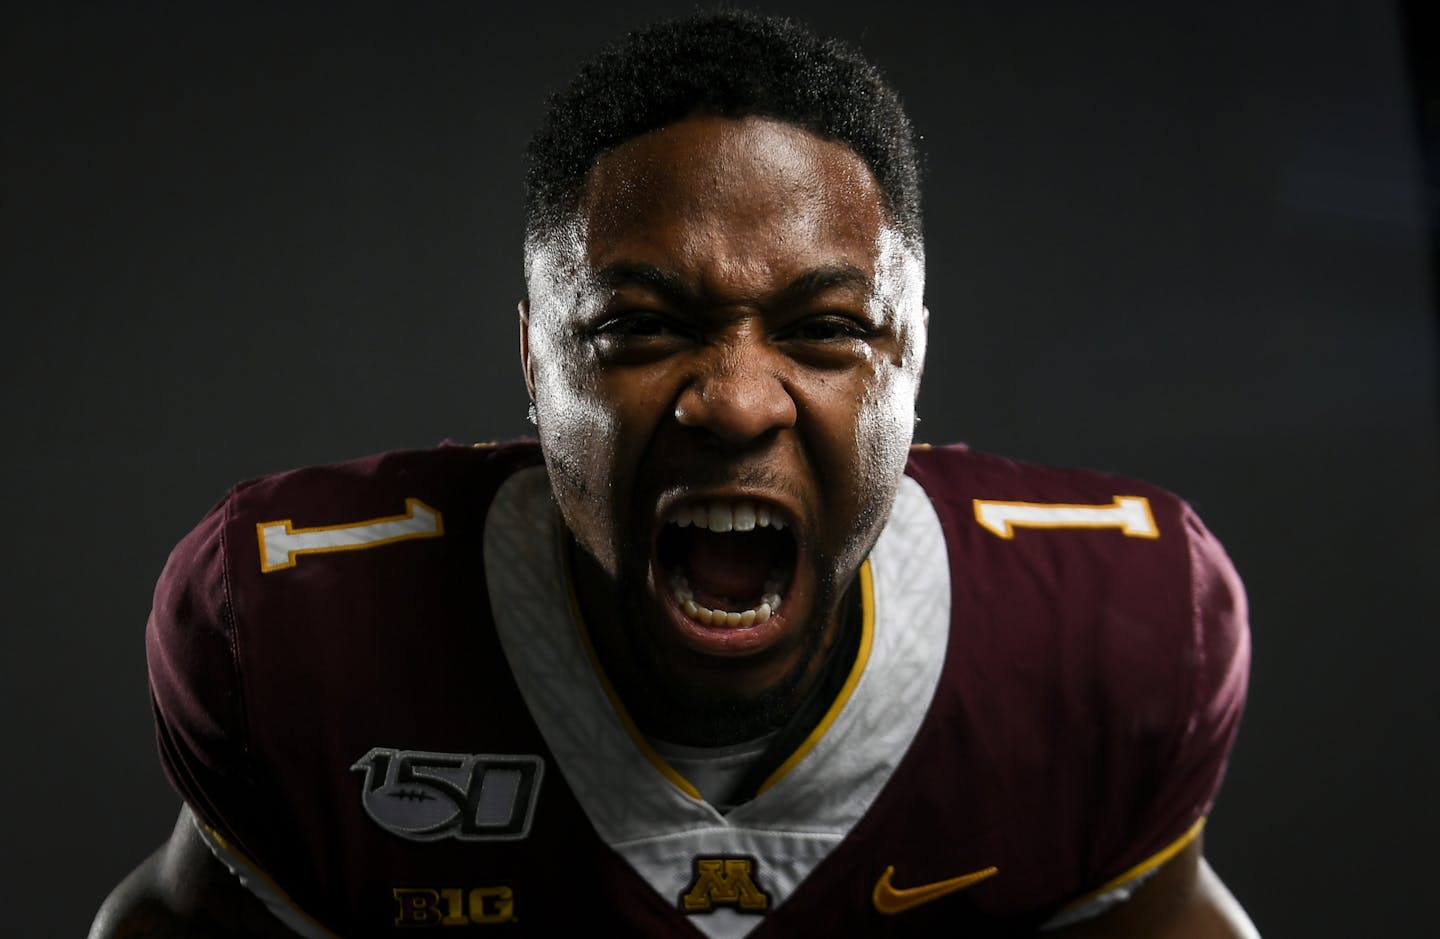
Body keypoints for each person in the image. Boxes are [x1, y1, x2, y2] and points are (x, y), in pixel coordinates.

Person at [91, 11, 1257, 938]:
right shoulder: (303, 634)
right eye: (640, 329)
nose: (737, 401)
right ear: (535, 365)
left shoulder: (1114, 637)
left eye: (829, 329)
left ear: (910, 361)